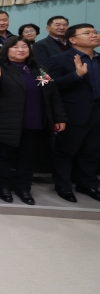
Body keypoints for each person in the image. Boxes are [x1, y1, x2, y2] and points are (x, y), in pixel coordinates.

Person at [0, 36, 67, 205]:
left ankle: (24, 189)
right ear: (7, 50)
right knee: (4, 157)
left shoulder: (38, 68)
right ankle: (3, 187)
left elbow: (52, 94)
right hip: (7, 122)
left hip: (34, 121)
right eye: (15, 47)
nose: (20, 50)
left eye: (24, 46)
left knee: (28, 158)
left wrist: (59, 117)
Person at [47, 24, 100, 203]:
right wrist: (76, 75)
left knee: (92, 151)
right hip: (72, 112)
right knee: (65, 151)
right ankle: (63, 186)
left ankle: (88, 184)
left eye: (95, 32)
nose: (94, 35)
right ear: (72, 39)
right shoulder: (59, 59)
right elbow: (49, 85)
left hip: (97, 111)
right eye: (87, 33)